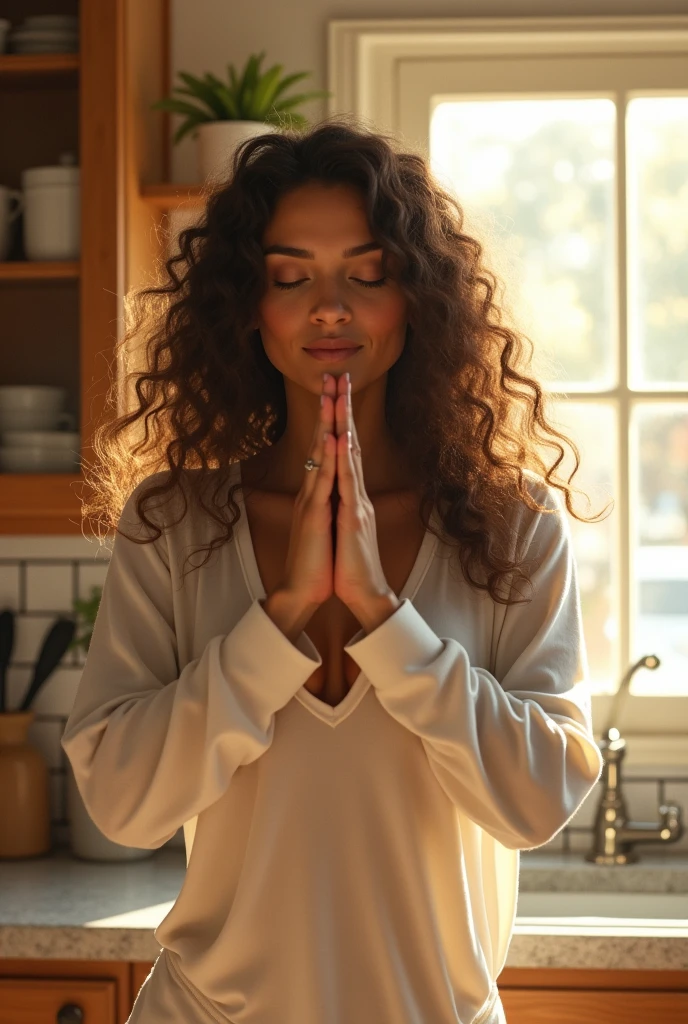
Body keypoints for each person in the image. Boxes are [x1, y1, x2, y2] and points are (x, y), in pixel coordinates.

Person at [62, 115, 609, 1024]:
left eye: (366, 274)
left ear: (417, 298)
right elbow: (124, 805)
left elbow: (535, 802)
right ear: (249, 303)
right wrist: (276, 620)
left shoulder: (513, 527)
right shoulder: (173, 523)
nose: (330, 307)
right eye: (290, 277)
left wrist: (384, 617)